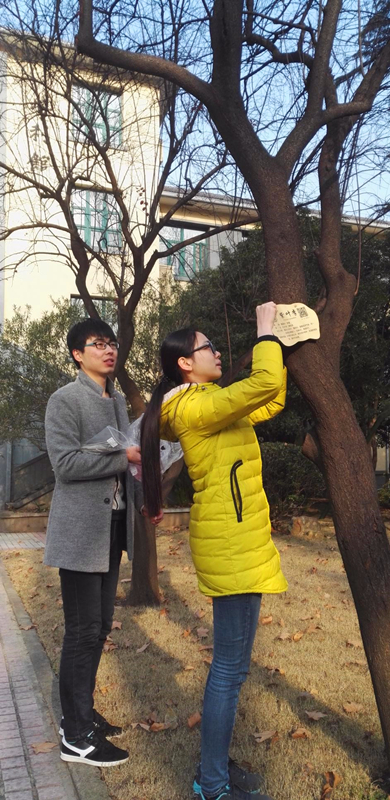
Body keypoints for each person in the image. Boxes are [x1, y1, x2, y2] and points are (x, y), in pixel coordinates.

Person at [140, 302, 288, 800]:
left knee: (233, 668)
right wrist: (265, 332)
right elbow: (261, 385)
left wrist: (279, 348)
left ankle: (215, 768)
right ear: (186, 362)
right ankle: (212, 784)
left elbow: (268, 400)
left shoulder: (210, 403)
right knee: (228, 670)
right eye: (209, 347)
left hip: (237, 538)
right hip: (231, 544)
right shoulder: (192, 408)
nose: (217, 352)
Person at [44, 319, 141, 768]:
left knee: (99, 627)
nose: (108, 349)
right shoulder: (65, 400)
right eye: (97, 343)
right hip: (81, 533)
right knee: (82, 631)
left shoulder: (117, 400)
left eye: (112, 342)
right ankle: (76, 737)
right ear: (77, 354)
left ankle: (81, 714)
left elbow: (125, 459)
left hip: (113, 528)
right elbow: (65, 464)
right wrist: (123, 457)